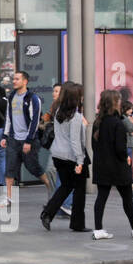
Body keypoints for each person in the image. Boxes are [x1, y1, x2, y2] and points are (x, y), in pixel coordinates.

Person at [90, 90, 133, 240]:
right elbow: (120, 148)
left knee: (101, 197)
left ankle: (98, 229)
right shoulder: (117, 123)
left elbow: (94, 146)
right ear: (114, 103)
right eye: (119, 101)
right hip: (117, 167)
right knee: (127, 197)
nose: (120, 103)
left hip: (101, 166)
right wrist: (125, 157)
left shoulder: (98, 122)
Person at [0, 70, 56, 206]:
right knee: (10, 168)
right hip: (13, 139)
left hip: (28, 140)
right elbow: (8, 118)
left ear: (25, 81)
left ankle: (51, 189)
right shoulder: (11, 97)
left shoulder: (32, 98)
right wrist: (5, 136)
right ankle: (8, 198)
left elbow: (35, 121)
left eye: (17, 79)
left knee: (33, 168)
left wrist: (29, 141)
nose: (14, 81)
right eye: (14, 79)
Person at [39, 82, 89, 232]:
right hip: (72, 157)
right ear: (76, 98)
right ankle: (77, 224)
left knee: (66, 186)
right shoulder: (76, 117)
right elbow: (76, 141)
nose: (82, 98)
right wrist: (80, 161)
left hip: (57, 155)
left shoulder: (59, 111)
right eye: (81, 95)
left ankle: (47, 213)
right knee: (79, 190)